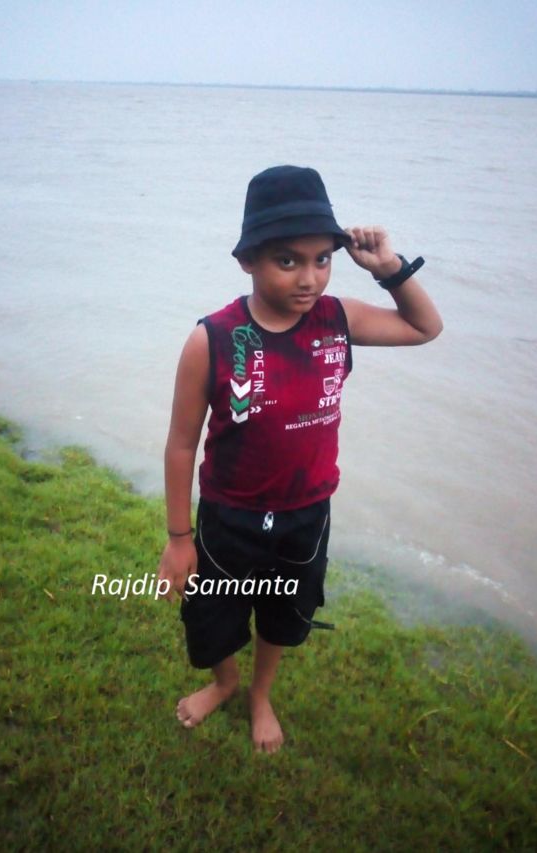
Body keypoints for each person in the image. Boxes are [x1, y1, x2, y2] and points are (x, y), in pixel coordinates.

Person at [156, 165, 443, 753]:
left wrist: (388, 268)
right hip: (229, 516)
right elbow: (182, 443)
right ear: (248, 260)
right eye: (287, 260)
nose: (309, 277)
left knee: (283, 613)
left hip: (306, 513)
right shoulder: (213, 339)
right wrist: (179, 538)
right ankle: (225, 683)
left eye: (322, 259)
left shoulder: (339, 319)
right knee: (213, 616)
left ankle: (260, 694)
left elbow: (424, 327)